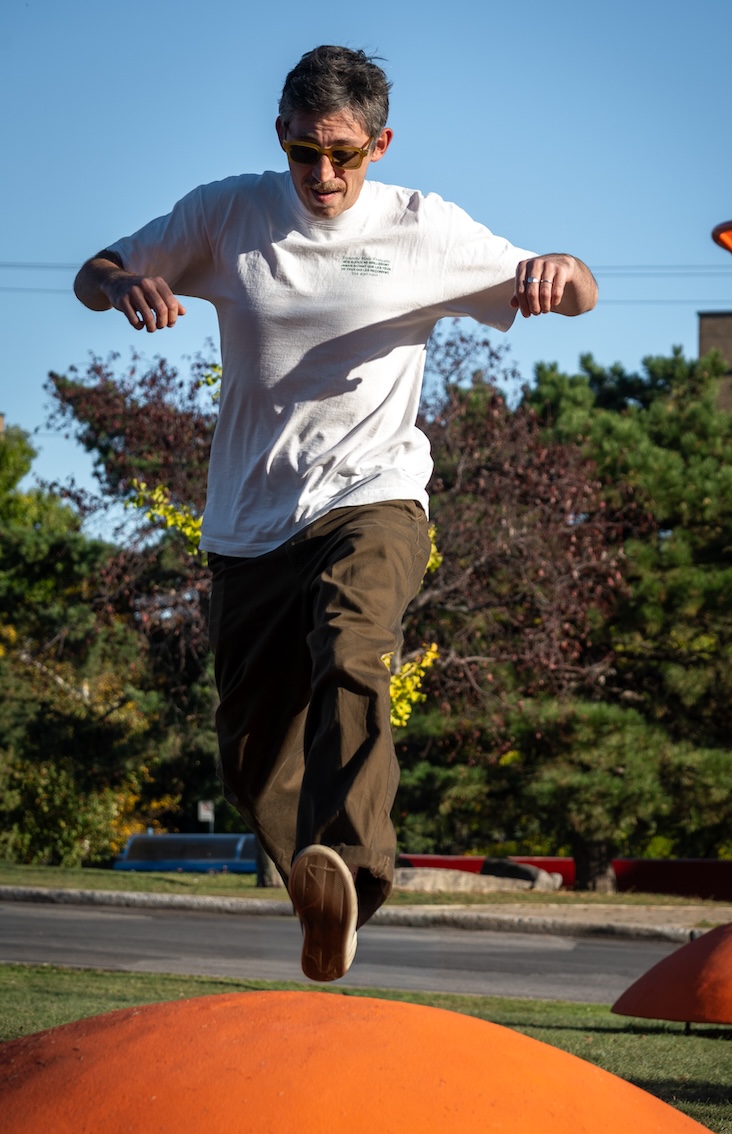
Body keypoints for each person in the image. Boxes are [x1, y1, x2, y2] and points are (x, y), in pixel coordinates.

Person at [74, 45, 598, 983]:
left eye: (343, 155)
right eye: (304, 152)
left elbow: (576, 288)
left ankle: (353, 869)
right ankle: (322, 901)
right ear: (280, 134)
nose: (322, 174)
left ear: (379, 146)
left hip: (373, 497)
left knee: (352, 654)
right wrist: (121, 284)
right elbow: (97, 268)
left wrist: (562, 270)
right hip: (248, 523)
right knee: (250, 750)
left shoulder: (422, 227)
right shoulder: (226, 213)